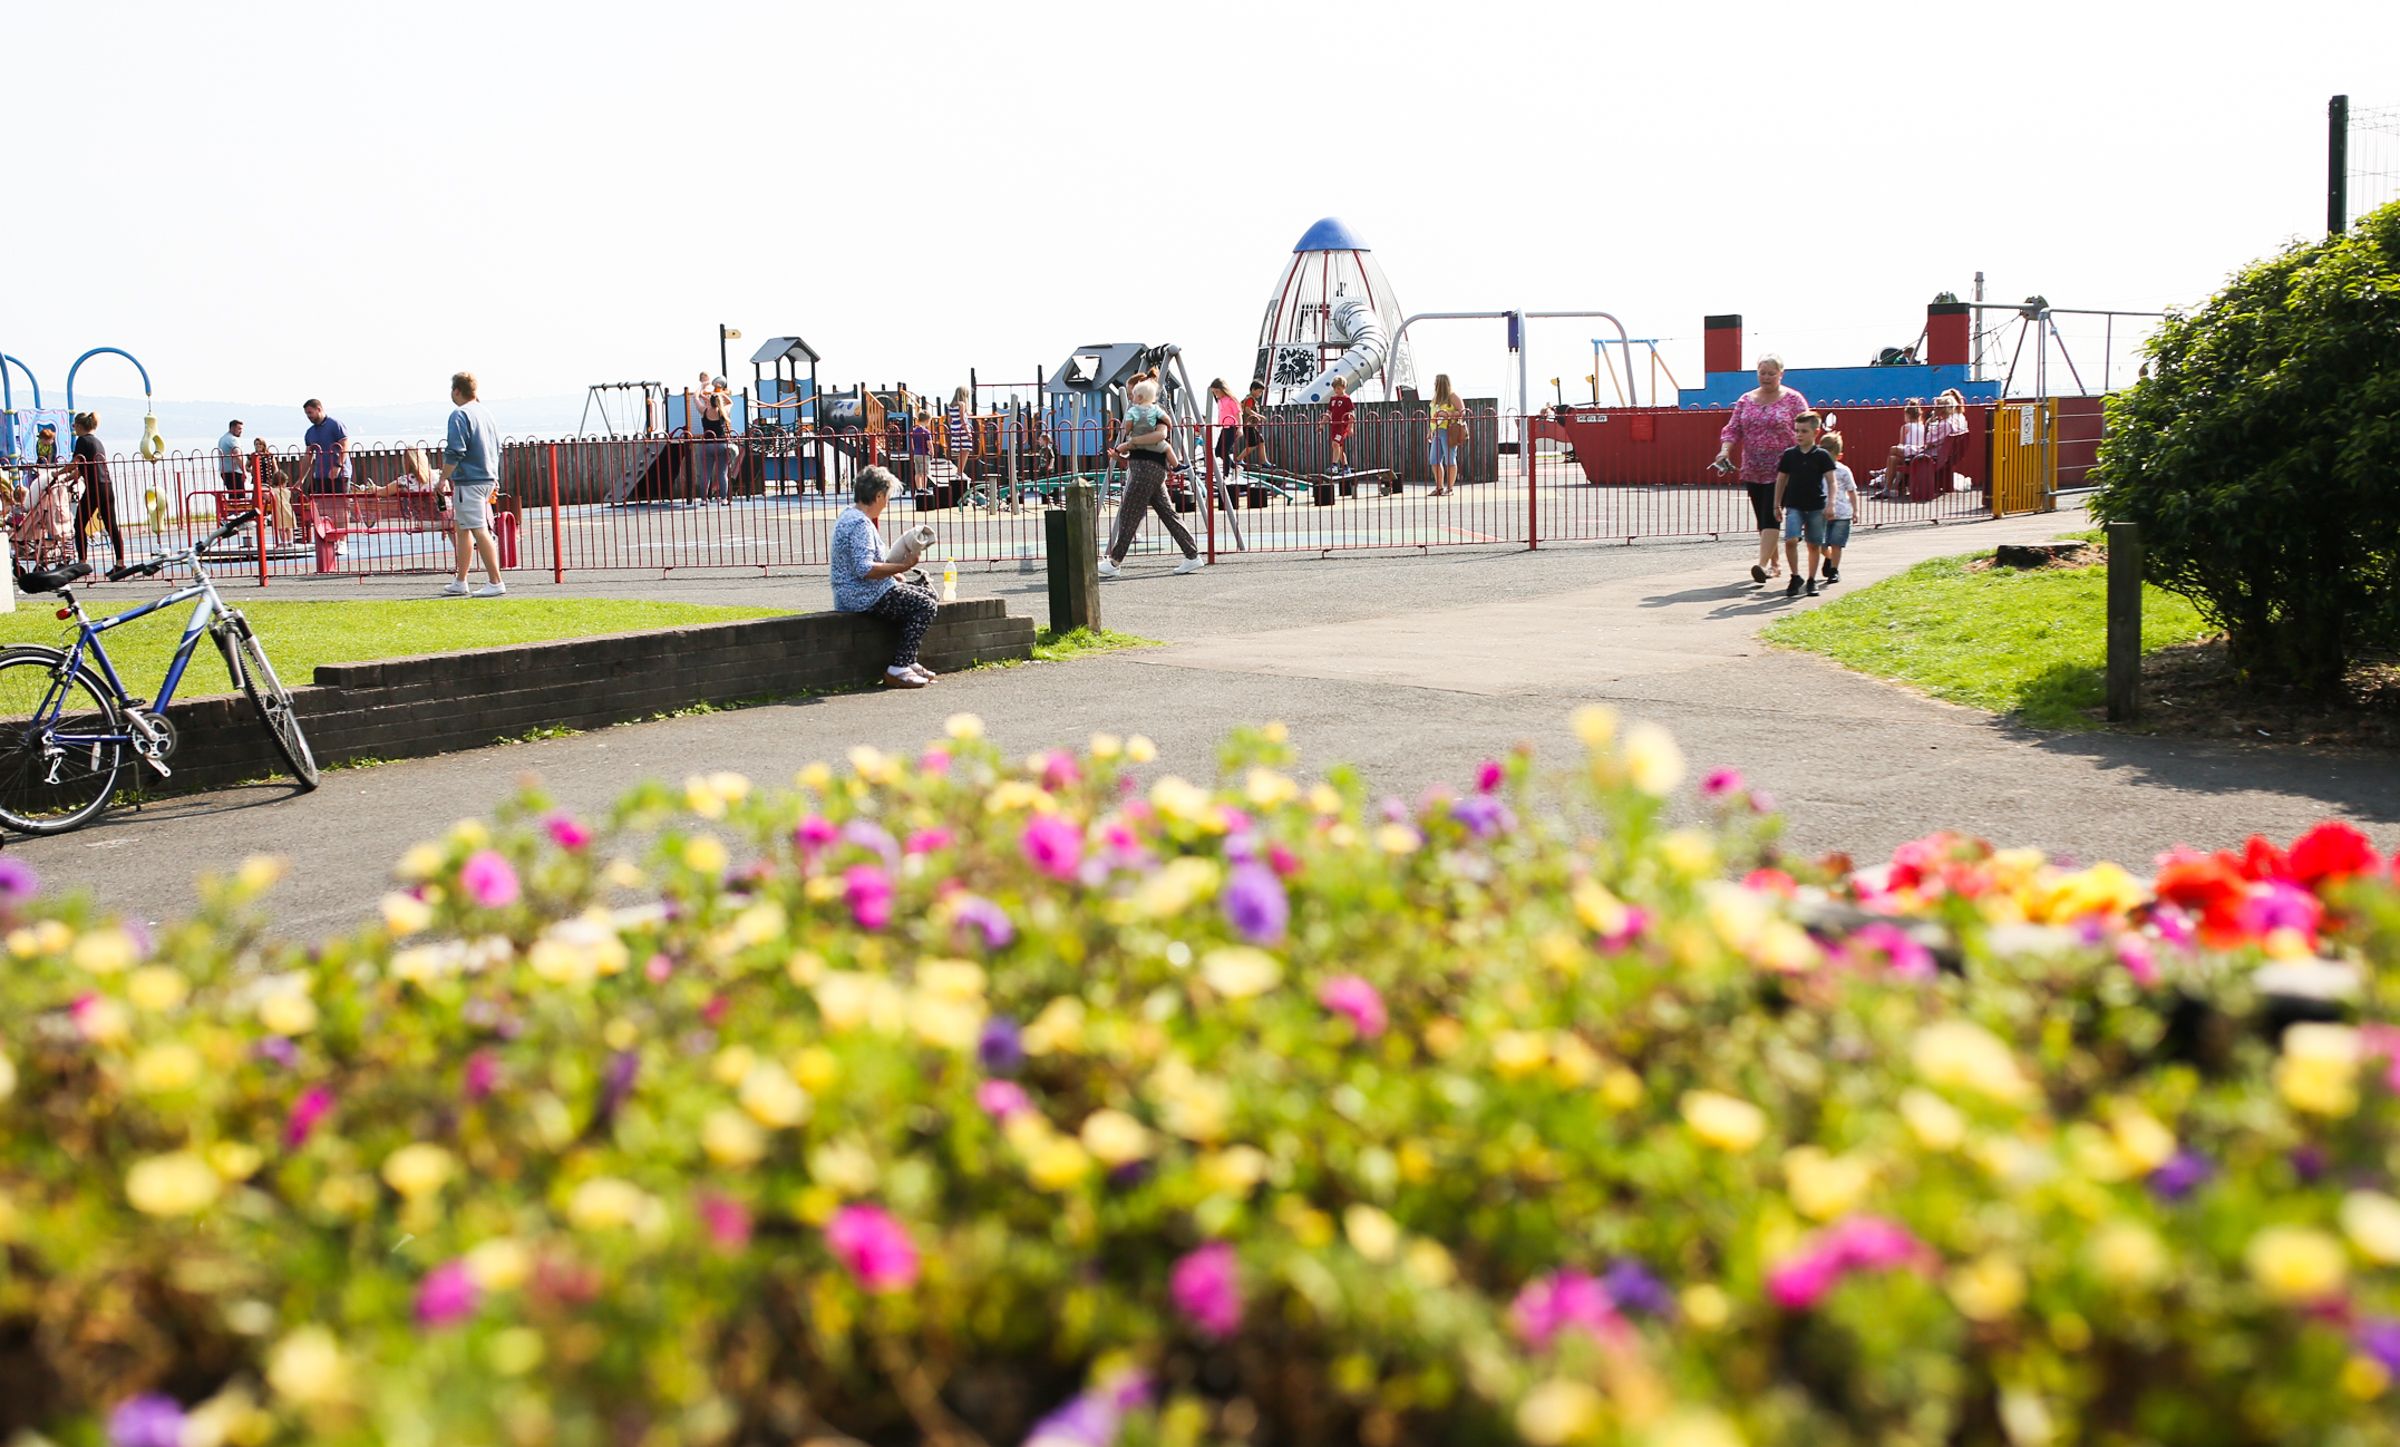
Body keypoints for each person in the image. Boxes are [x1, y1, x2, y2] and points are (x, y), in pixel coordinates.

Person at [830, 465, 939, 688]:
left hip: (857, 590)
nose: (887, 503)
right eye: (887, 497)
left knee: (926, 594)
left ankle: (909, 659)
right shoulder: (860, 524)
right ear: (878, 495)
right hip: (861, 594)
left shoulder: (849, 516)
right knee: (925, 604)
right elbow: (865, 569)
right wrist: (902, 566)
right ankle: (899, 667)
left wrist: (895, 574)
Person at [1710, 356, 1810, 585]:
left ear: (1781, 374)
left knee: (1771, 514)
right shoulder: (1746, 399)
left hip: (1784, 469)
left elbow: (1807, 427)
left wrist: (1805, 459)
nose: (1766, 377)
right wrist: (1724, 451)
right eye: (1762, 372)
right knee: (1761, 518)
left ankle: (1761, 565)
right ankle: (1775, 564)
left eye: (1771, 373)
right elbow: (1733, 429)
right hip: (1753, 468)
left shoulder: (1793, 400)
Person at [1100, 375, 1203, 579]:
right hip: (1147, 467)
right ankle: (1192, 555)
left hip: (1147, 469)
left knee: (1129, 512)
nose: (1131, 398)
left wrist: (1130, 443)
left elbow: (1160, 436)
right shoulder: (1147, 412)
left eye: (1133, 393)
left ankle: (1115, 560)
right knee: (1166, 513)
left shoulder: (1157, 413)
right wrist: (1126, 452)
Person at [438, 371, 507, 598]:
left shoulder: (459, 415)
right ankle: (461, 580)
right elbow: (496, 448)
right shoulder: (487, 414)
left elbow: (456, 450)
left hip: (469, 480)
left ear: (457, 390)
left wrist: (442, 479)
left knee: (478, 529)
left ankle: (495, 581)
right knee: (462, 527)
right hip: (487, 477)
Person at [1772, 411, 1836, 598]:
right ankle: (1795, 576)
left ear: (1815, 433)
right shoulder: (1790, 455)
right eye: (1797, 431)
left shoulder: (1822, 455)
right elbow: (1781, 479)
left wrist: (1831, 503)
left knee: (1813, 545)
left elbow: (1831, 481)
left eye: (1804, 431)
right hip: (1794, 505)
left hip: (1816, 505)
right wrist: (1776, 504)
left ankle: (1811, 579)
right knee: (1791, 540)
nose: (1799, 435)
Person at [68, 412, 124, 569]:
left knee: (79, 524)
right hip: (107, 486)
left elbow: (75, 463)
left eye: (74, 426)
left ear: (79, 426)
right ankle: (120, 562)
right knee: (111, 525)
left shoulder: (82, 441)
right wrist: (68, 479)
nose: (74, 430)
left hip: (93, 489)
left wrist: (57, 473)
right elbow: (84, 467)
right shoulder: (98, 442)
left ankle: (82, 562)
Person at [1822, 430, 1859, 584]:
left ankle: (1834, 570)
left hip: (1842, 513)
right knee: (1820, 544)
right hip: (1822, 513)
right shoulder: (1817, 470)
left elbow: (1851, 491)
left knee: (1837, 543)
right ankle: (1829, 557)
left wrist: (1855, 510)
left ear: (1839, 456)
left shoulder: (1843, 471)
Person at [251, 436, 301, 544]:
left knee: (283, 525)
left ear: (264, 445)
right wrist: (252, 471)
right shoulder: (253, 457)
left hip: (268, 483)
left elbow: (275, 468)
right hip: (259, 483)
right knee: (286, 526)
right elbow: (247, 466)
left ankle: (286, 541)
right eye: (256, 444)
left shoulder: (269, 456)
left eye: (260, 444)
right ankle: (289, 541)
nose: (258, 446)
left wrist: (275, 478)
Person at [695, 379, 738, 504]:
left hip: (707, 445)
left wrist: (702, 386)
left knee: (706, 473)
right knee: (722, 473)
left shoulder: (704, 411)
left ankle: (704, 499)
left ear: (709, 402)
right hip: (722, 445)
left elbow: (695, 397)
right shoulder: (723, 412)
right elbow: (731, 402)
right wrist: (719, 392)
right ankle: (724, 499)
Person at [1427, 373, 1465, 496]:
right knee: (1434, 460)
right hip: (1437, 431)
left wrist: (1448, 415)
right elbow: (1433, 416)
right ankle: (1439, 487)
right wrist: (1430, 430)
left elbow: (1462, 412)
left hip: (1449, 431)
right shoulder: (1435, 398)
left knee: (1450, 459)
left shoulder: (1452, 396)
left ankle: (1450, 488)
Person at [301, 399, 350, 495]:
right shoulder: (310, 432)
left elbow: (345, 446)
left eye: (310, 412)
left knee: (340, 507)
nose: (308, 416)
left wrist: (338, 465)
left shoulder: (335, 425)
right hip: (320, 476)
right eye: (307, 414)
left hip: (339, 476)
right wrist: (301, 478)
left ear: (318, 409)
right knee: (322, 507)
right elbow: (308, 456)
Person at [1208, 379, 1242, 481]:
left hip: (1233, 428)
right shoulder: (1220, 401)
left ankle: (1226, 475)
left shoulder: (1231, 400)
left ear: (1223, 389)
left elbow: (1238, 414)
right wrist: (1220, 422)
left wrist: (1240, 428)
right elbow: (1222, 413)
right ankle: (1235, 467)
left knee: (1224, 451)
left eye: (1217, 392)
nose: (1216, 394)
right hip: (1225, 427)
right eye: (1214, 392)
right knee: (1218, 451)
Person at [1325, 376, 1356, 474]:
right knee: (1339, 448)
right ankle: (1346, 468)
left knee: (1335, 444)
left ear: (1344, 387)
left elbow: (1352, 415)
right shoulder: (1333, 399)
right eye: (1335, 388)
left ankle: (1334, 465)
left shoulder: (1347, 399)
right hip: (1334, 426)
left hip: (1342, 426)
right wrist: (1321, 424)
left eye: (1338, 388)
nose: (1336, 390)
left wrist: (1350, 428)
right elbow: (1328, 412)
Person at [1239, 382, 1269, 473]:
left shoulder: (1251, 399)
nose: (1260, 394)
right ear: (1253, 389)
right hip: (1248, 425)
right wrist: (1259, 416)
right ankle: (1238, 459)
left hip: (1251, 425)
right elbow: (1248, 410)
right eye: (1259, 392)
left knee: (1261, 441)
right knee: (1253, 444)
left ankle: (1264, 461)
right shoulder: (1250, 399)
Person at [216, 419, 247, 498]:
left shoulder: (223, 439)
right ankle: (237, 511)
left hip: (224, 471)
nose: (241, 431)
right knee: (239, 497)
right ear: (232, 428)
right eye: (239, 429)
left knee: (233, 495)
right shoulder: (233, 439)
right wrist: (244, 471)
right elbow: (238, 456)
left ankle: (232, 510)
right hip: (234, 472)